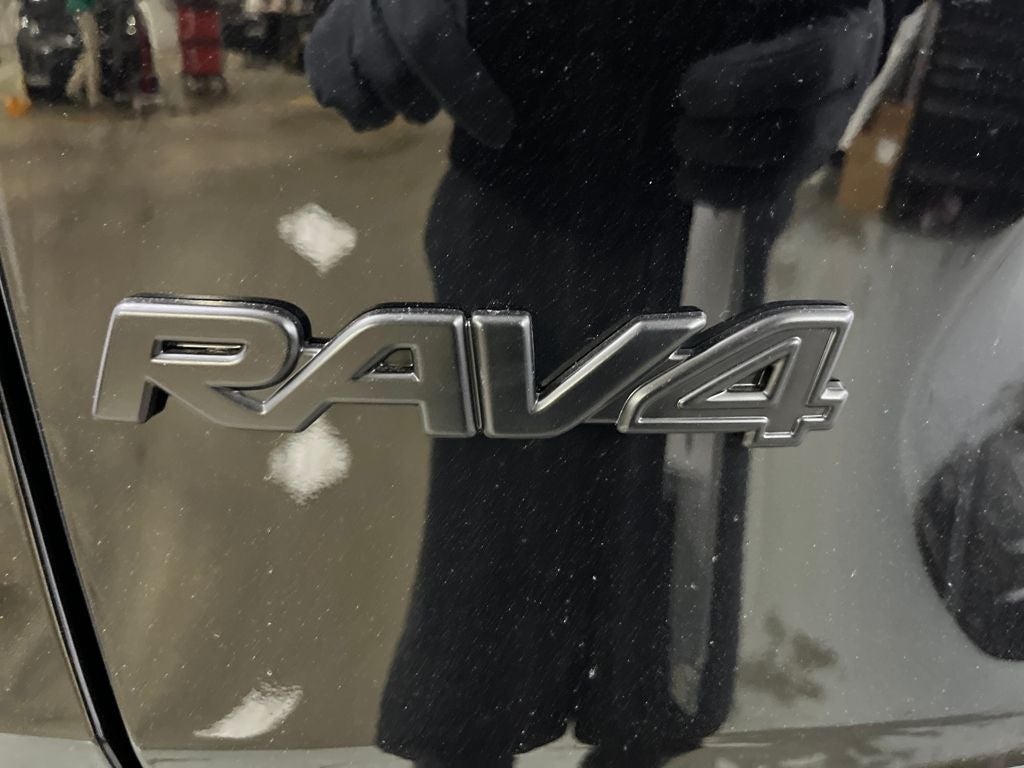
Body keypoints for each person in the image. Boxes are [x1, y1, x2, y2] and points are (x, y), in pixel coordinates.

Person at [304, 2, 907, 765]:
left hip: (715, 198)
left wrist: (877, 18)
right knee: (476, 632)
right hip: (522, 164)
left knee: (664, 639)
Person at [65, 0, 102, 107]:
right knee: (92, 52)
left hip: (79, 8)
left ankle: (75, 86)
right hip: (83, 9)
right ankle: (91, 94)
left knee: (90, 52)